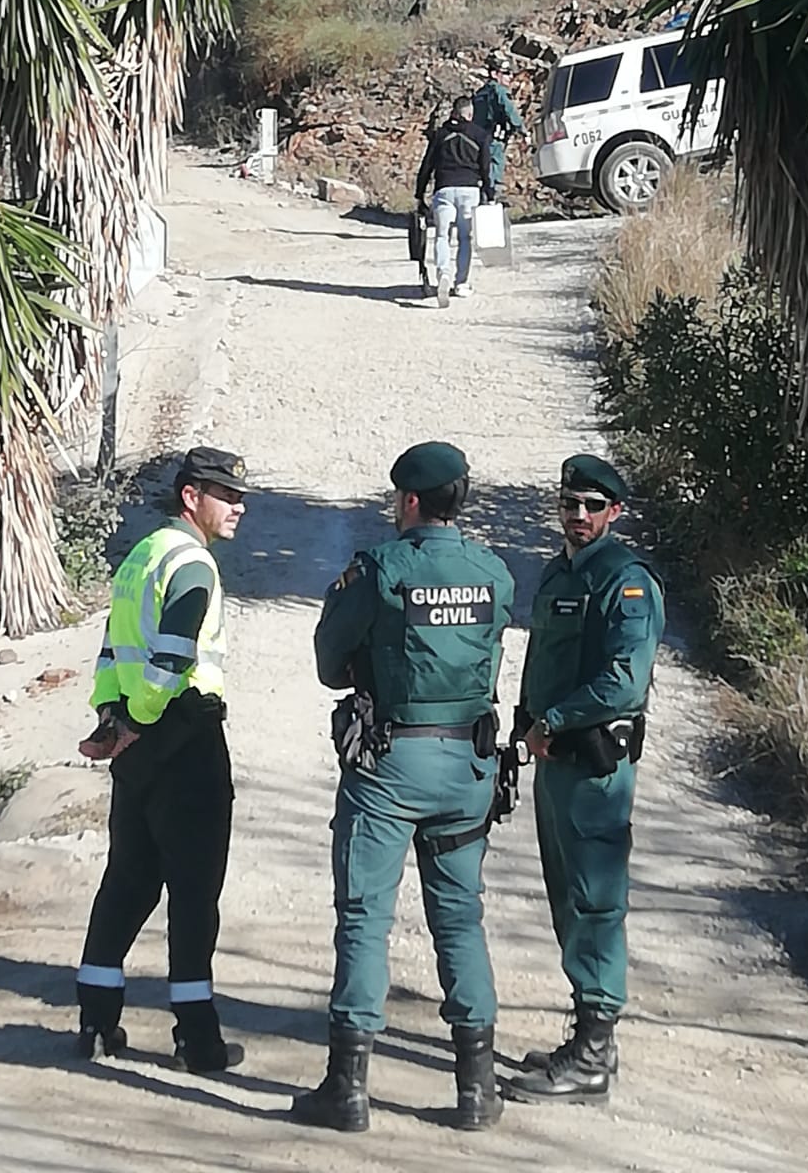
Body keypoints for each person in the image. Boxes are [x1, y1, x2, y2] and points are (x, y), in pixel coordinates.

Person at [290, 442, 516, 1134]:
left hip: (391, 767)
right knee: (460, 919)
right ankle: (476, 1089)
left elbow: (330, 663)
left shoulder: (381, 570)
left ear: (410, 500)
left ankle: (348, 1090)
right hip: (468, 765)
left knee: (365, 918)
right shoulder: (492, 571)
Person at [74, 445, 249, 1074]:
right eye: (226, 496)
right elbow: (173, 658)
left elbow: (109, 651)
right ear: (190, 497)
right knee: (195, 894)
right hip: (183, 740)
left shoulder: (141, 556)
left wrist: (111, 721)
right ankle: (197, 1039)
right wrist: (141, 721)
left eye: (239, 497)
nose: (238, 507)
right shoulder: (192, 564)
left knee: (126, 881)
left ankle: (96, 1023)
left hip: (134, 744)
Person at [505, 454, 665, 1105]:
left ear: (614, 513)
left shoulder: (626, 582)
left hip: (595, 769)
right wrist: (526, 722)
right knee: (567, 900)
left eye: (592, 506)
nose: (578, 515)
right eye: (570, 504)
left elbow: (625, 679)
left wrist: (554, 719)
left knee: (596, 902)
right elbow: (542, 659)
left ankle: (594, 1055)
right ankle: (589, 1035)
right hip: (554, 762)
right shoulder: (559, 573)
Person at [415, 96, 494, 309]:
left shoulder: (440, 135)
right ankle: (461, 283)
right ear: (470, 114)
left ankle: (443, 274)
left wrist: (419, 194)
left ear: (454, 112)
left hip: (444, 190)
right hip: (470, 191)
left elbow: (426, 166)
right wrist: (489, 193)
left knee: (442, 236)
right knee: (464, 238)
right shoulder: (480, 135)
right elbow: (486, 168)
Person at [471, 54, 525, 197]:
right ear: (495, 74)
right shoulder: (499, 90)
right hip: (494, 139)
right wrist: (523, 130)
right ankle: (492, 198)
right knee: (494, 172)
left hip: (479, 139)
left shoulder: (480, 93)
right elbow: (510, 111)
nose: (510, 77)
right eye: (506, 73)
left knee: (483, 171)